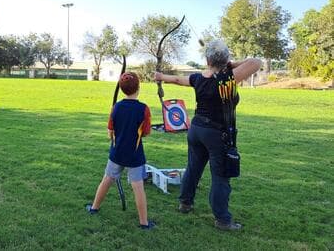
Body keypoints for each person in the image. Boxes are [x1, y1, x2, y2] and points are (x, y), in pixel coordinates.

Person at [154, 40, 262, 231]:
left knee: (193, 168)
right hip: (216, 133)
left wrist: (161, 76)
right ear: (226, 59)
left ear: (207, 59)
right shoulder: (229, 77)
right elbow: (256, 62)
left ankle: (185, 203)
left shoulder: (198, 78)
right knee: (220, 177)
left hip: (196, 130)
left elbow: (179, 80)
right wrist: (231, 63)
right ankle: (222, 219)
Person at [85, 72, 155, 230]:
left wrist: (114, 133)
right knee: (138, 187)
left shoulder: (116, 107)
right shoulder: (143, 109)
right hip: (134, 155)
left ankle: (94, 208)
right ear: (139, 87)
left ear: (122, 89)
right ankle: (144, 223)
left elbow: (110, 131)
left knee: (106, 179)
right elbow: (146, 132)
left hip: (116, 154)